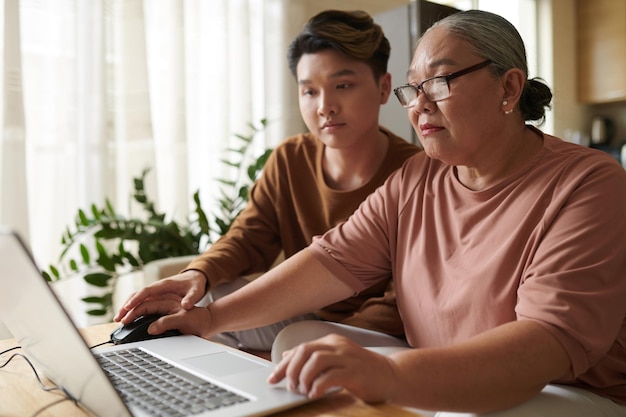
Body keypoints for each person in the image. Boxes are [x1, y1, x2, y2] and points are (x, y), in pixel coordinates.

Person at [116, 9, 626, 416]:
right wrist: (208, 318)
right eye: (413, 88)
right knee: (298, 342)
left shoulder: (588, 183)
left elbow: (545, 345)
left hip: (566, 390)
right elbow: (329, 261)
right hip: (437, 363)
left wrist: (391, 377)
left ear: (508, 89)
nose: (420, 104)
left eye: (441, 82)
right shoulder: (417, 179)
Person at [114, 10, 420, 352]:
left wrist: (326, 342)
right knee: (210, 295)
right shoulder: (290, 159)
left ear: (383, 87)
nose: (325, 107)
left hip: (381, 333)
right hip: (306, 318)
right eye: (309, 92)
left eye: (343, 86)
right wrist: (195, 275)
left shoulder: (415, 173)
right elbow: (247, 240)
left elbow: (406, 298)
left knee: (292, 338)